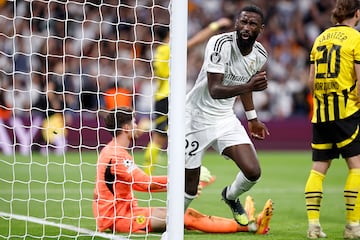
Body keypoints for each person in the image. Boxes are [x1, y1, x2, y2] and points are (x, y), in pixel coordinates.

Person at [93, 107, 273, 234]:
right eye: (134, 121)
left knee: (183, 214)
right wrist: (182, 180)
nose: (137, 124)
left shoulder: (114, 151)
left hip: (129, 212)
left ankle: (246, 223)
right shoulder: (115, 155)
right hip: (119, 219)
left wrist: (185, 183)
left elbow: (139, 183)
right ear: (126, 128)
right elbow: (143, 183)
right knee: (183, 220)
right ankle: (252, 226)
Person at [183, 4, 270, 229]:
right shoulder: (219, 43)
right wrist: (248, 85)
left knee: (253, 172)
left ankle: (230, 196)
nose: (246, 27)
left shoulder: (260, 55)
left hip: (224, 118)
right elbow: (215, 89)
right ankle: (174, 222)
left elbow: (246, 88)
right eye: (242, 21)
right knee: (190, 186)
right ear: (236, 23)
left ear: (261, 28)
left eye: (252, 23)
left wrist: (252, 119)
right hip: (195, 118)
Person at [143, 18, 233, 175]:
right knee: (162, 137)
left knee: (162, 137)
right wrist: (215, 25)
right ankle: (149, 174)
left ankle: (152, 172)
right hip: (168, 98)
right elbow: (195, 41)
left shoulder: (159, 51)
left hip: (162, 96)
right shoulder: (167, 49)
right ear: (170, 34)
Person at [304, 0, 360, 239]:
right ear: (357, 14)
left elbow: (310, 82)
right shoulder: (356, 39)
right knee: (356, 167)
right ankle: (352, 227)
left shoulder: (320, 39)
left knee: (318, 169)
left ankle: (313, 226)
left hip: (322, 113)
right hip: (346, 111)